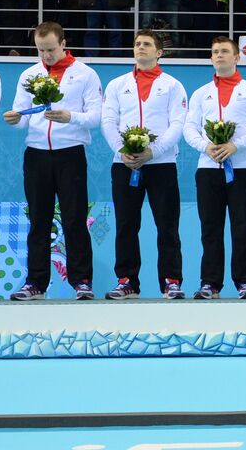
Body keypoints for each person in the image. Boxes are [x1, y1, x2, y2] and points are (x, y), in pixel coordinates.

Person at [4, 22, 103, 301]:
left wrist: (70, 116)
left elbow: (95, 116)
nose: (46, 55)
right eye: (40, 50)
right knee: (38, 220)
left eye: (50, 49)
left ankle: (82, 281)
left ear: (63, 43)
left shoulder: (85, 74)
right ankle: (35, 283)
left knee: (74, 219)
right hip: (35, 153)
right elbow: (22, 118)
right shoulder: (29, 74)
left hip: (70, 152)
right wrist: (15, 119)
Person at [100, 30, 189, 300]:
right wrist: (121, 149)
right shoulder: (117, 85)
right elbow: (108, 121)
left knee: (167, 225)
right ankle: (127, 280)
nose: (140, 48)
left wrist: (154, 151)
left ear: (159, 52)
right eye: (137, 44)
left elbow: (177, 124)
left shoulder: (173, 85)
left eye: (147, 44)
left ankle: (171, 281)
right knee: (126, 224)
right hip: (125, 164)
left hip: (161, 164)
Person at [183, 36, 246, 299]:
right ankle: (210, 282)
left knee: (242, 226)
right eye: (215, 51)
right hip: (208, 168)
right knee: (210, 228)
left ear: (236, 57)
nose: (219, 55)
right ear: (211, 58)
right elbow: (189, 128)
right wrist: (205, 147)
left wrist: (235, 146)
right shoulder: (201, 93)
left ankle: (245, 281)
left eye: (224, 51)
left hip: (242, 168)